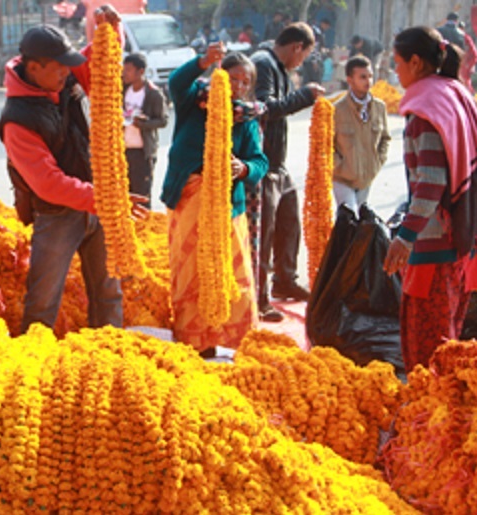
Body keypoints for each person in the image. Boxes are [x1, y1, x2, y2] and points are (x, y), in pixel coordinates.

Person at [0, 7, 148, 334]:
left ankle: (107, 354)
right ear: (34, 68)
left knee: (109, 292)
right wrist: (106, 199)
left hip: (97, 204)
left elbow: (101, 67)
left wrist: (111, 29)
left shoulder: (62, 78)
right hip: (57, 214)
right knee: (43, 300)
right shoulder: (17, 120)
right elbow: (48, 183)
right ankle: (33, 362)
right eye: (59, 68)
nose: (68, 73)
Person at [384, 26, 477, 371]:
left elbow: (430, 183)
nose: (396, 72)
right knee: (448, 337)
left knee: (427, 350)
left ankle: (428, 417)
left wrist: (405, 237)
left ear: (416, 62)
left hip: (435, 244)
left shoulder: (424, 111)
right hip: (462, 238)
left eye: (397, 63)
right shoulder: (454, 92)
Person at [161, 43, 268, 356]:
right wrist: (202, 61)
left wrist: (244, 167)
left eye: (245, 82)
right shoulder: (193, 100)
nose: (238, 86)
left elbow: (260, 161)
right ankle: (196, 340)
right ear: (220, 75)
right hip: (188, 195)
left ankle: (233, 339)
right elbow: (175, 82)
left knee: (233, 272)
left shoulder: (246, 120)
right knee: (190, 270)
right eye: (233, 79)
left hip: (226, 204)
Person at [251, 23, 325, 322]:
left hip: (278, 163)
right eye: (305, 55)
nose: (302, 62)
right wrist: (305, 95)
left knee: (289, 220)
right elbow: (265, 108)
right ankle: (259, 294)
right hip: (262, 161)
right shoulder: (263, 64)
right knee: (263, 232)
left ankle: (285, 279)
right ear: (297, 47)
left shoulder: (279, 67)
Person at [332, 56, 390, 211]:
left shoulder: (379, 107)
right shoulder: (336, 110)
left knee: (362, 226)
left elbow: (385, 138)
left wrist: (377, 161)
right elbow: (326, 144)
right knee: (349, 217)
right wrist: (339, 166)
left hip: (366, 179)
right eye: (363, 77)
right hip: (342, 178)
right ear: (350, 80)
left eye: (370, 76)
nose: (368, 81)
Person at [122, 52, 168, 209]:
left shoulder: (153, 94)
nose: (124, 73)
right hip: (123, 150)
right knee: (125, 195)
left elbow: (163, 121)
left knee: (142, 197)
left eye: (128, 70)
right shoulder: (123, 89)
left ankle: (144, 230)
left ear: (140, 71)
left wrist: (144, 123)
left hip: (142, 153)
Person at [458, 21, 477, 94]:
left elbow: (475, 55)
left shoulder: (466, 38)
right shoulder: (464, 38)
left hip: (463, 67)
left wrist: (469, 65)